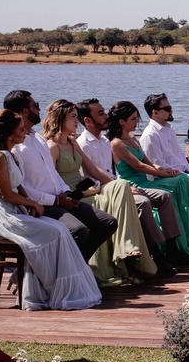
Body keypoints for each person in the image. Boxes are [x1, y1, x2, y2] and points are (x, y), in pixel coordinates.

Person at [0, 110, 101, 311]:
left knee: (59, 229)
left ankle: (48, 285)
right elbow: (7, 194)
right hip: (0, 213)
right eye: (21, 130)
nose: (25, 133)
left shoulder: (11, 156)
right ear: (9, 135)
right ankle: (46, 285)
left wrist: (28, 201)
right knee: (53, 232)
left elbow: (19, 187)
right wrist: (33, 204)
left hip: (16, 208)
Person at [43, 99, 156, 285]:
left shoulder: (72, 142)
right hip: (74, 197)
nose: (76, 121)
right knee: (120, 191)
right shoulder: (52, 147)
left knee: (120, 186)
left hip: (87, 190)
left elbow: (94, 171)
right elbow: (52, 183)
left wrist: (115, 184)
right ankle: (125, 251)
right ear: (61, 119)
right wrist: (87, 193)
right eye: (72, 117)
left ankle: (127, 249)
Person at [3, 90, 116, 262]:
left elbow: (52, 172)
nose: (39, 110)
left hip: (61, 198)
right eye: (36, 106)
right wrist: (55, 200)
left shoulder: (38, 139)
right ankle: (60, 271)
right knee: (79, 231)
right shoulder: (15, 146)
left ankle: (75, 268)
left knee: (107, 223)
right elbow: (21, 187)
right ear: (25, 111)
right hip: (40, 205)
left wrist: (66, 193)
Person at [76, 98, 181, 275]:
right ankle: (156, 256)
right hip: (102, 190)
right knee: (143, 203)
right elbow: (91, 176)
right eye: (101, 113)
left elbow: (117, 170)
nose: (107, 115)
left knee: (164, 196)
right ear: (87, 120)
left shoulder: (103, 140)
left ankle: (171, 247)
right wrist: (121, 187)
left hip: (118, 185)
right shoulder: (83, 144)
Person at [108, 100, 189, 263]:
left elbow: (148, 163)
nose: (136, 122)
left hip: (146, 181)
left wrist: (164, 169)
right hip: (133, 184)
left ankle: (182, 241)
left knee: (182, 181)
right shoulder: (117, 143)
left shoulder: (133, 139)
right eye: (132, 119)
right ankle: (170, 248)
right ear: (121, 122)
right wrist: (164, 175)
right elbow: (139, 167)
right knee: (177, 184)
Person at [139, 93, 189, 174]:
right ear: (155, 113)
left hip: (184, 174)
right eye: (168, 108)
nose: (171, 110)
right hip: (170, 179)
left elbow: (180, 156)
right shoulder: (150, 135)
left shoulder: (169, 130)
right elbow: (159, 167)